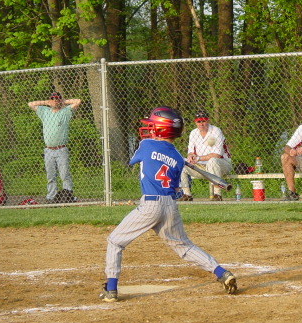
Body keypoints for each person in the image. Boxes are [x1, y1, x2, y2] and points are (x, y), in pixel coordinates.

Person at [99, 106, 237, 302]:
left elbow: (133, 161)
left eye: (154, 126)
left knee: (115, 241)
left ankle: (111, 289)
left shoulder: (146, 144)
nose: (150, 129)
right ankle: (221, 272)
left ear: (161, 129)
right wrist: (172, 159)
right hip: (170, 206)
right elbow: (174, 186)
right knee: (184, 247)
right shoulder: (176, 158)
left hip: (150, 206)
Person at [28, 92, 81, 202]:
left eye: (57, 98)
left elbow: (78, 101)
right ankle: (51, 196)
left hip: (61, 149)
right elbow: (30, 104)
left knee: (64, 175)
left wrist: (63, 102)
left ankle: (68, 196)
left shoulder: (65, 112)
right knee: (51, 176)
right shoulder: (45, 111)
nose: (55, 100)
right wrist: (47, 102)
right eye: (52, 98)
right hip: (49, 150)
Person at [177, 111, 232, 201]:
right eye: (199, 122)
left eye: (203, 121)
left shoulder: (216, 131)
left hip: (222, 164)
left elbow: (217, 155)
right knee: (183, 163)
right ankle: (187, 194)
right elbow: (190, 152)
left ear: (208, 120)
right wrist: (190, 157)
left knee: (212, 161)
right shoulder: (193, 133)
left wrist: (198, 158)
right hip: (202, 167)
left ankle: (217, 194)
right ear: (195, 122)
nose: (201, 124)